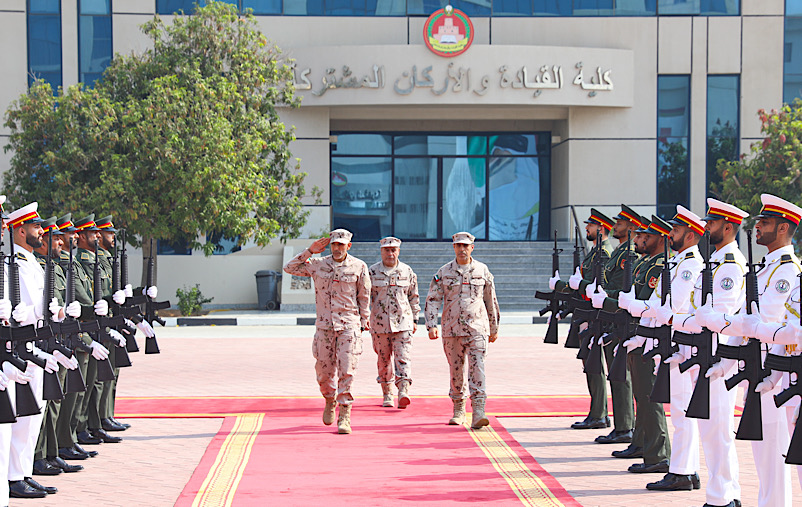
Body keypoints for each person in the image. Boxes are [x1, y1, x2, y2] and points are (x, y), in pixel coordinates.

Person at [695, 193, 802, 507]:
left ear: (783, 229)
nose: (757, 227)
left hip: (780, 372)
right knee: (766, 454)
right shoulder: (768, 268)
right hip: (763, 370)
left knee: (779, 456)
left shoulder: (786, 271)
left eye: (765, 222)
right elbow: (750, 326)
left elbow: (760, 322)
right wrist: (726, 364)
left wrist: (719, 321)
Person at [669, 198, 747, 507]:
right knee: (710, 431)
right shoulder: (714, 262)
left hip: (718, 357)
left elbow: (721, 314)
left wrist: (688, 319)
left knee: (718, 432)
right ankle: (724, 494)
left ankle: (724, 497)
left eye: (712, 223)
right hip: (702, 353)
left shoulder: (730, 265)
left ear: (728, 228)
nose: (707, 227)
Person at [283, 229, 370, 435]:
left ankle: (345, 414)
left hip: (349, 325)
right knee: (323, 372)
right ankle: (329, 399)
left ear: (349, 246)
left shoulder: (359, 266)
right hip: (324, 327)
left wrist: (364, 320)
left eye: (341, 244)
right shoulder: (318, 264)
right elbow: (289, 267)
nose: (337, 248)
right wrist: (309, 251)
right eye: (334, 244)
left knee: (347, 370)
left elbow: (364, 295)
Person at [425, 232, 500, 429]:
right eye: (458, 246)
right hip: (451, 330)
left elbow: (490, 300)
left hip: (477, 328)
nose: (462, 249)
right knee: (456, 370)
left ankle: (478, 411)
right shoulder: (444, 272)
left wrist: (494, 326)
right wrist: (431, 325)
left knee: (478, 368)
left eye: (465, 246)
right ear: (453, 247)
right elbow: (433, 299)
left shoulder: (482, 271)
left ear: (472, 248)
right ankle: (458, 409)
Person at [551, 209, 614, 431]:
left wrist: (563, 286)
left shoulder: (604, 253)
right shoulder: (595, 252)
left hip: (596, 317)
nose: (587, 228)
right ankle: (597, 412)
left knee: (595, 365)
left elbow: (597, 287)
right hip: (587, 314)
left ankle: (599, 414)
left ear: (602, 229)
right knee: (590, 365)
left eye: (591, 225)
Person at [368, 237, 420, 409]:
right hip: (379, 324)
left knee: (403, 357)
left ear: (398, 251)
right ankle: (387, 392)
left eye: (393, 250)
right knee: (383, 360)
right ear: (381, 251)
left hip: (402, 323)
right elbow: (364, 297)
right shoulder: (372, 272)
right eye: (386, 250)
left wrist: (414, 319)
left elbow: (413, 296)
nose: (390, 253)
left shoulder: (407, 271)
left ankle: (403, 390)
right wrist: (364, 318)